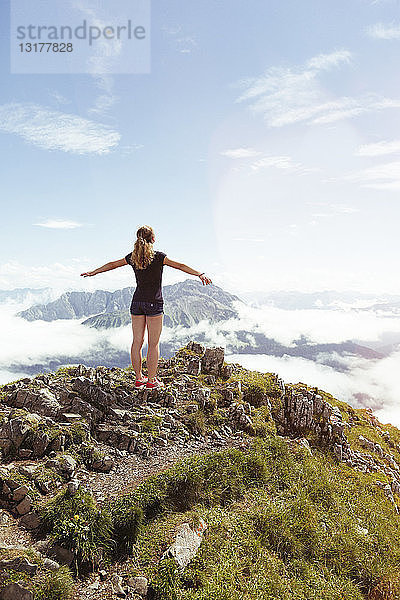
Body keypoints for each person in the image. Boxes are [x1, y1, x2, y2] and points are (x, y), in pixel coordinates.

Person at [81, 225, 212, 390]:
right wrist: (200, 274)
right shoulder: (159, 257)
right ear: (153, 239)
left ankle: (138, 378)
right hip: (154, 303)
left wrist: (94, 272)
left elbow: (113, 264)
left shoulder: (133, 258)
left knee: (137, 342)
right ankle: (151, 380)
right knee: (153, 344)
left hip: (137, 303)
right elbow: (180, 266)